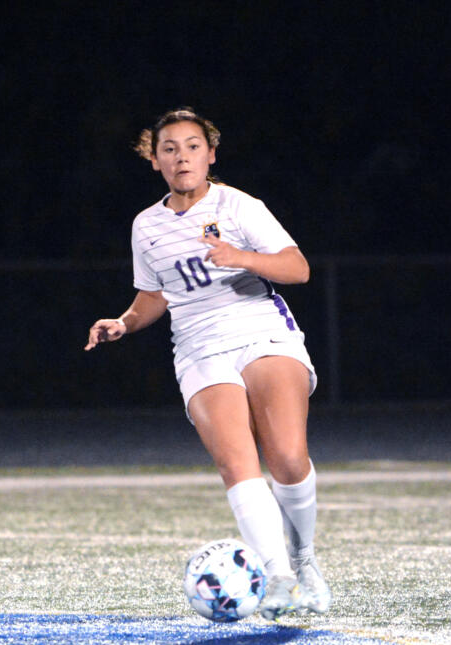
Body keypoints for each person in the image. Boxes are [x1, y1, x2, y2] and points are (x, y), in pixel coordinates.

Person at [85, 108, 331, 618]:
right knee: (237, 462)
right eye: (170, 148)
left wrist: (242, 257)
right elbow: (154, 296)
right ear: (154, 160)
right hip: (199, 347)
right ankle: (278, 578)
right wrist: (124, 322)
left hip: (260, 331)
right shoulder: (147, 225)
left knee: (286, 457)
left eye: (193, 146)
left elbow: (298, 268)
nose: (182, 157)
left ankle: (303, 558)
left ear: (211, 154)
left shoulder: (239, 206)